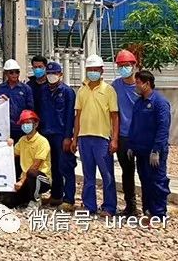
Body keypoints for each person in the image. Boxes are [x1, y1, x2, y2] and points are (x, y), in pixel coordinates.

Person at [73, 54, 119, 217]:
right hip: (84, 138)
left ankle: (109, 207)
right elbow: (78, 116)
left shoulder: (109, 90)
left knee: (107, 175)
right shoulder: (82, 90)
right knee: (88, 175)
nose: (92, 72)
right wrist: (75, 138)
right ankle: (89, 205)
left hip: (102, 138)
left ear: (101, 71)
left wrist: (114, 139)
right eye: (90, 69)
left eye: (95, 69)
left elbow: (114, 116)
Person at [128, 70, 171, 220]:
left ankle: (159, 213)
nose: (136, 86)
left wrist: (156, 149)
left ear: (147, 84)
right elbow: (134, 125)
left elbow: (163, 127)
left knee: (157, 182)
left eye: (138, 83)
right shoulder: (138, 103)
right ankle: (148, 210)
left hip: (154, 152)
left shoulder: (160, 102)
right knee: (145, 181)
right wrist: (131, 145)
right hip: (141, 151)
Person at [38, 61, 77, 212]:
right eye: (49, 73)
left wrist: (68, 137)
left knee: (65, 166)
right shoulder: (43, 91)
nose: (51, 76)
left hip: (61, 134)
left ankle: (69, 199)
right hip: (46, 133)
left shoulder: (67, 92)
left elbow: (70, 116)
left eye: (54, 73)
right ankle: (56, 196)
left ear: (61, 74)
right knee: (53, 166)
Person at [112, 49, 141, 217]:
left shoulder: (141, 85)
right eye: (121, 66)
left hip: (140, 136)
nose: (124, 69)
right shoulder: (115, 86)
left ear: (134, 65)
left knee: (145, 171)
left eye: (127, 65)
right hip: (123, 136)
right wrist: (114, 137)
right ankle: (130, 205)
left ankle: (151, 207)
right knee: (127, 171)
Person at [2, 110, 51, 210]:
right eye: (23, 123)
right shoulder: (22, 140)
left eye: (28, 123)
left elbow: (36, 165)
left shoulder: (42, 141)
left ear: (36, 124)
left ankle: (36, 200)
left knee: (32, 173)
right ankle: (26, 199)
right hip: (26, 179)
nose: (25, 126)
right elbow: (11, 155)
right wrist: (8, 145)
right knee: (7, 201)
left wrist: (22, 181)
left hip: (42, 179)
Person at [0, 59, 35, 146]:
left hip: (21, 128)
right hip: (5, 127)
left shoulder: (26, 89)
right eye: (11, 72)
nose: (14, 75)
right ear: (6, 73)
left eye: (17, 72)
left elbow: (30, 109)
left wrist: (28, 126)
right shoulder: (1, 88)